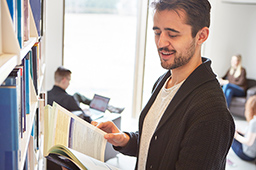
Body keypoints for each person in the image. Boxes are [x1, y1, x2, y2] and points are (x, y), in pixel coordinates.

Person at [92, 0, 235, 169]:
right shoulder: (163, 81)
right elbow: (157, 142)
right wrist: (125, 140)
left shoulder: (211, 111)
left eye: (172, 34)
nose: (161, 43)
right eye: (157, 32)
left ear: (201, 36)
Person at [47, 67, 124, 123]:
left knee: (77, 95)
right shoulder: (69, 99)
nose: (69, 83)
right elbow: (85, 119)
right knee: (78, 97)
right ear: (64, 80)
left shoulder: (46, 95)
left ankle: (109, 107)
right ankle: (108, 107)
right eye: (69, 80)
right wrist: (86, 114)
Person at [232, 95, 256, 161]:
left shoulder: (254, 122)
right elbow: (252, 135)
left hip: (247, 155)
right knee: (235, 132)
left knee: (229, 134)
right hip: (252, 153)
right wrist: (240, 132)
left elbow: (249, 142)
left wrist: (236, 135)